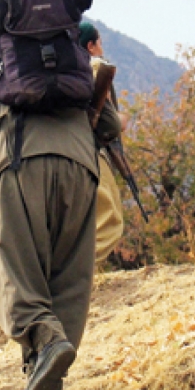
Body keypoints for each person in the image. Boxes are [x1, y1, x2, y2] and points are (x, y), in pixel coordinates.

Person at [0, 32, 121, 390]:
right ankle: (44, 374)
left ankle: (46, 342)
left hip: (17, 164)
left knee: (11, 267)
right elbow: (111, 127)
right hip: (80, 171)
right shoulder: (78, 60)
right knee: (68, 275)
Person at [78, 21, 127, 264]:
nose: (102, 47)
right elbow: (109, 125)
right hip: (88, 152)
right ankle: (73, 276)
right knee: (110, 222)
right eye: (99, 43)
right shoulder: (95, 67)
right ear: (90, 46)